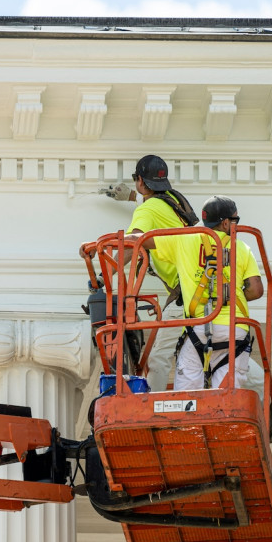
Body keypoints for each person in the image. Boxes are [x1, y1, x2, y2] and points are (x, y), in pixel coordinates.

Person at [130, 196, 272, 434]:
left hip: (199, 327)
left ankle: (185, 431)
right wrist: (233, 296)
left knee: (190, 390)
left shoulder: (183, 239)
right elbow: (257, 290)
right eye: (236, 220)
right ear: (227, 223)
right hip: (235, 330)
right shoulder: (241, 247)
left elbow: (142, 240)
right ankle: (228, 432)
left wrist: (114, 241)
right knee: (226, 399)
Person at [100, 155, 198, 391]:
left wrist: (104, 277)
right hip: (205, 286)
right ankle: (270, 393)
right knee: (223, 348)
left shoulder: (148, 209)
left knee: (157, 358)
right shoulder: (175, 199)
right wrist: (133, 196)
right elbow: (156, 207)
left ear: (141, 181)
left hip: (186, 292)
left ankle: (150, 409)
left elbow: (132, 243)